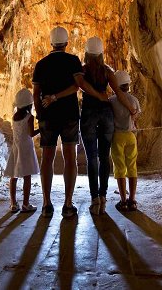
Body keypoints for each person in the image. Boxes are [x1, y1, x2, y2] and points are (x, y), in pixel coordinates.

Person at [32, 26, 108, 219]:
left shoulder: (40, 64)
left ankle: (47, 204)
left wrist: (40, 114)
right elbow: (78, 86)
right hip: (69, 116)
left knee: (47, 158)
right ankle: (67, 204)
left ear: (51, 43)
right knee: (70, 158)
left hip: (48, 116)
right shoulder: (73, 60)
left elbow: (35, 94)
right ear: (66, 43)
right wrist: (99, 95)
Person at [79, 37, 138, 216]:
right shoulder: (107, 72)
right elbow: (119, 93)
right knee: (105, 157)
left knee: (92, 158)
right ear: (101, 54)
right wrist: (130, 108)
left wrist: (95, 95)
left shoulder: (82, 71)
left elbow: (80, 85)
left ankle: (95, 199)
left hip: (89, 112)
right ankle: (103, 197)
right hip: (106, 115)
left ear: (87, 53)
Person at [4, 88, 40, 213]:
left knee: (13, 176)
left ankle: (13, 203)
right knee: (27, 177)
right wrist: (41, 129)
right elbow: (31, 133)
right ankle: (26, 204)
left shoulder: (14, 117)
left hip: (16, 147)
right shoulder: (30, 117)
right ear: (29, 104)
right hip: (26, 149)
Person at [109, 70, 141, 212]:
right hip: (130, 135)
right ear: (128, 85)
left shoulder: (111, 101)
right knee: (132, 166)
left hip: (117, 136)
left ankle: (123, 201)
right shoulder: (134, 100)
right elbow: (135, 117)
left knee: (120, 168)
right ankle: (132, 200)